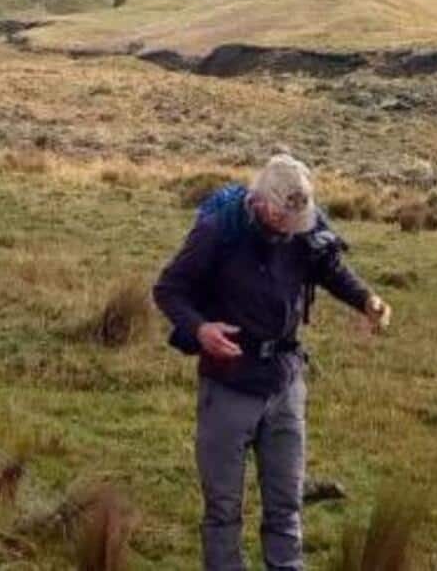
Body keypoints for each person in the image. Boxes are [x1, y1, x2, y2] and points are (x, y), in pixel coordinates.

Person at [154, 154, 392, 571]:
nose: (291, 229)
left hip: (284, 381)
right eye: (283, 218)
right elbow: (168, 289)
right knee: (224, 508)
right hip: (228, 384)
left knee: (285, 504)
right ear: (262, 202)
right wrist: (200, 330)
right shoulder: (218, 231)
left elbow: (330, 267)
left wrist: (365, 299)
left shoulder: (303, 224)